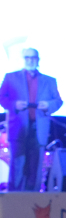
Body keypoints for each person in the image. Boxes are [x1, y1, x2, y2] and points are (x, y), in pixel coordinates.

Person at [0, 48, 62, 191]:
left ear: (38, 60)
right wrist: (14, 105)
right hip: (18, 129)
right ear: (22, 60)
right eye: (27, 58)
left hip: (39, 128)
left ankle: (33, 199)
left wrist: (48, 105)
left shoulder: (49, 80)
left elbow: (58, 101)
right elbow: (2, 98)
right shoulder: (10, 77)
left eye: (33, 58)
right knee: (17, 166)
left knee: (35, 168)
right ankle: (14, 199)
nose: (30, 60)